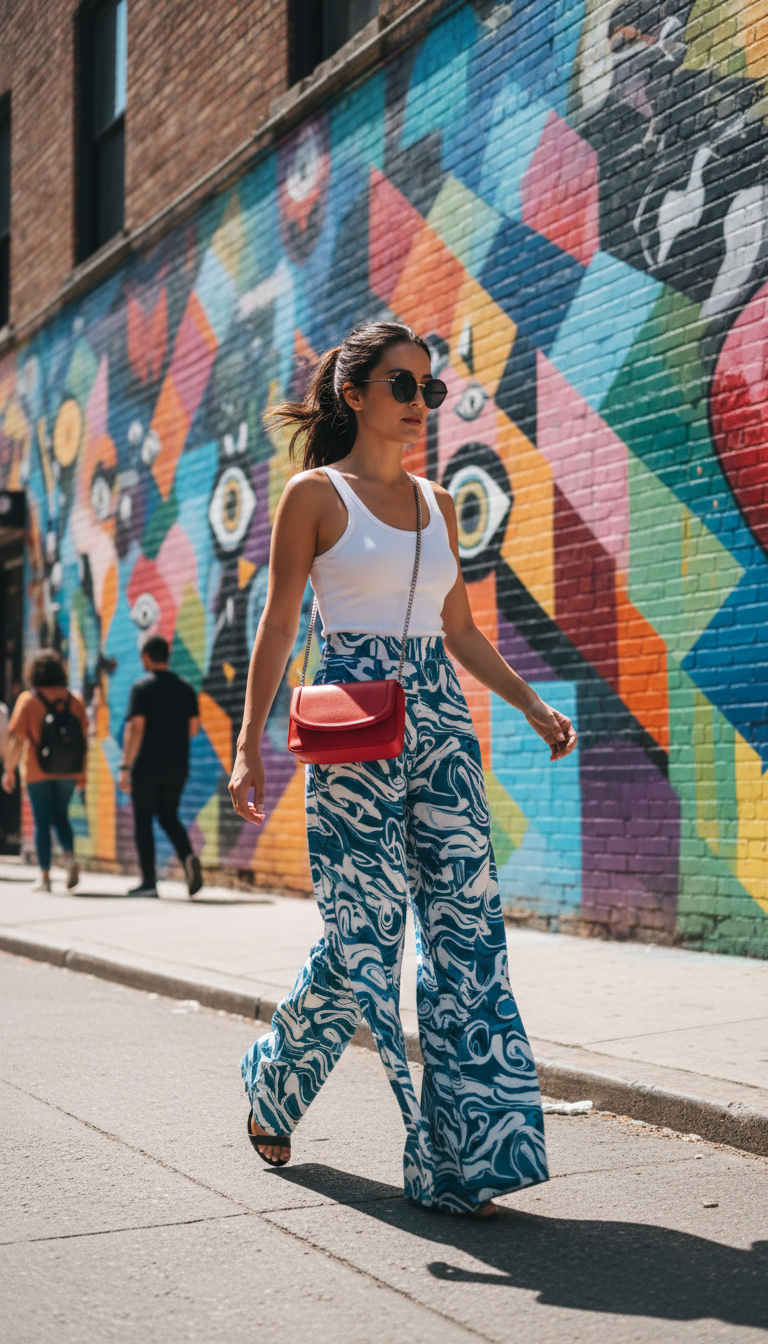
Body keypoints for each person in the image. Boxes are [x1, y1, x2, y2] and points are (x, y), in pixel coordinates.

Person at [229, 320, 578, 1217]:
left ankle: (468, 1158)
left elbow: (458, 628)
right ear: (356, 393)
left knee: (468, 932)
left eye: (428, 386)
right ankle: (277, 1080)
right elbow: (277, 625)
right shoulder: (314, 494)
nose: (421, 402)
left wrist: (530, 703)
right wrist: (246, 743)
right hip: (353, 721)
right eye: (402, 384)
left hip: (441, 722)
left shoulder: (433, 502)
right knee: (367, 933)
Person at [120, 634, 203, 899]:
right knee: (168, 816)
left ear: (146, 657)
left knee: (143, 821)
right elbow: (193, 728)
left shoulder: (141, 688)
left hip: (147, 766)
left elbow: (136, 728)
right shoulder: (185, 687)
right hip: (178, 766)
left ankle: (148, 883)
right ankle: (188, 856)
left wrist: (125, 766)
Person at [1, 649, 87, 893]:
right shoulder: (75, 700)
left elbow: (16, 739)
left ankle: (45, 876)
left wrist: (9, 770)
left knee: (42, 821)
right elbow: (83, 740)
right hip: (69, 772)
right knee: (61, 816)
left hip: (38, 771)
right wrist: (82, 773)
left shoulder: (28, 700)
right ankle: (69, 859)